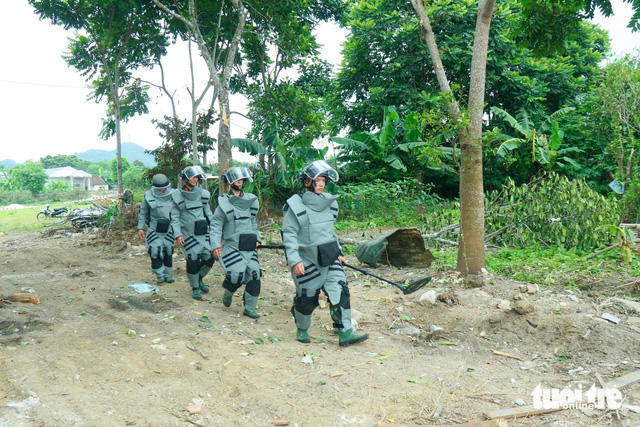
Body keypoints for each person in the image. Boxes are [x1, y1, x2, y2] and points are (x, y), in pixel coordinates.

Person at [282, 160, 368, 346]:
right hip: (307, 261)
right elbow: (289, 234)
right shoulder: (295, 206)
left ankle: (345, 331)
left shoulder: (329, 204)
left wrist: (338, 252)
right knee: (307, 299)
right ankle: (302, 328)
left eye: (323, 180)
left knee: (340, 291)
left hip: (329, 259)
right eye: (317, 180)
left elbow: (330, 232)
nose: (321, 184)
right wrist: (294, 260)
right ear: (307, 182)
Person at [211, 166, 262, 319]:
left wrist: (257, 238)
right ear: (229, 182)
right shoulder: (224, 203)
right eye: (236, 180)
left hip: (249, 245)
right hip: (232, 246)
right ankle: (228, 292)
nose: (239, 183)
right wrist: (215, 245)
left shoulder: (250, 200)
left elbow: (253, 222)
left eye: (241, 180)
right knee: (235, 276)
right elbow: (215, 226)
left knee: (255, 274)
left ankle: (250, 308)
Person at [173, 165, 216, 300]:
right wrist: (177, 234)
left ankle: (199, 278)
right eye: (192, 177)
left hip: (203, 232)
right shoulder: (178, 195)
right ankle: (195, 287)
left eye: (196, 177)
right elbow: (174, 217)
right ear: (186, 179)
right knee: (192, 260)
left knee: (210, 257)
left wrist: (215, 229)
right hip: (187, 234)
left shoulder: (203, 194)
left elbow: (208, 213)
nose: (194, 180)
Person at [137, 173, 180, 285]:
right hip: (154, 228)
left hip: (169, 228)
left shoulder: (174, 194)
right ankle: (159, 276)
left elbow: (180, 212)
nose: (162, 190)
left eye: (164, 188)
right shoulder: (148, 196)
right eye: (160, 189)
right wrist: (140, 228)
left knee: (168, 251)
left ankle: (168, 275)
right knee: (154, 251)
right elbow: (143, 213)